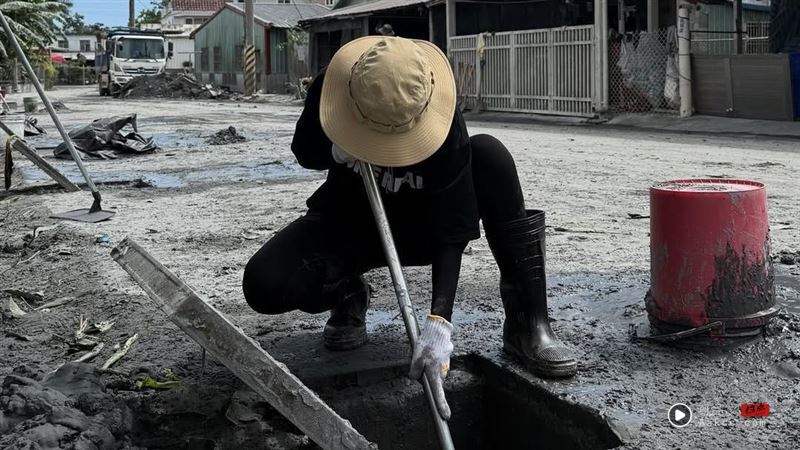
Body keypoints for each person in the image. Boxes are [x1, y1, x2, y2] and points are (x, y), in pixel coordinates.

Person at [243, 36, 577, 419]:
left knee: (491, 156)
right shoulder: (332, 85)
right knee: (263, 283)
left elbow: (453, 228)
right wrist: (336, 146)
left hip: (422, 228)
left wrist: (439, 323)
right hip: (351, 220)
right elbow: (304, 151)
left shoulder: (440, 107)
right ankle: (347, 293)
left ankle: (527, 323)